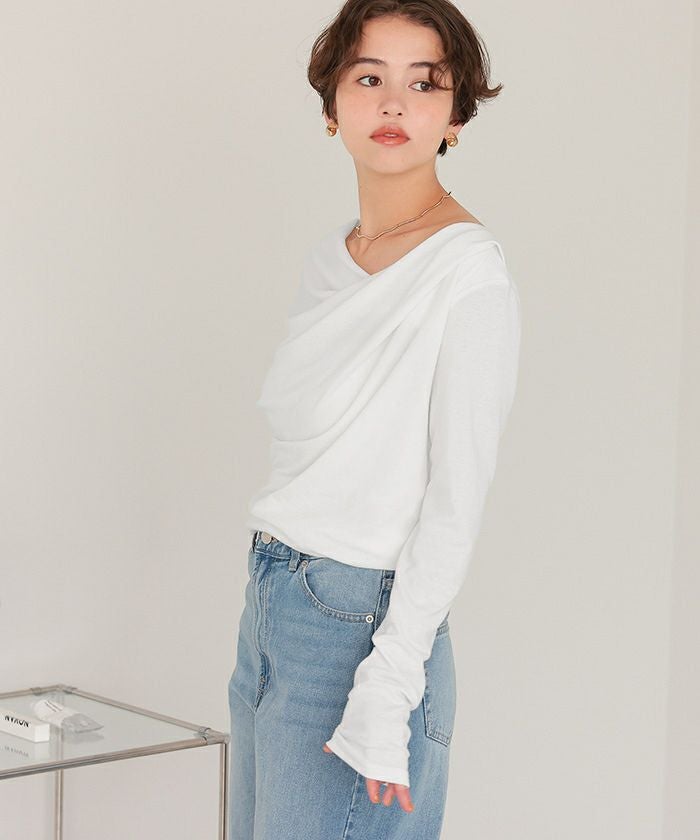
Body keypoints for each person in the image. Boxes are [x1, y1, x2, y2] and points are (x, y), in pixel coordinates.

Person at [227, 2, 522, 838]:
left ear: (456, 115)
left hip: (362, 625)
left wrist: (390, 685)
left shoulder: (468, 273)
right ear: (332, 107)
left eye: (424, 83)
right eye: (369, 78)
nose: (394, 104)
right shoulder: (332, 259)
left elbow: (457, 499)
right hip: (274, 600)